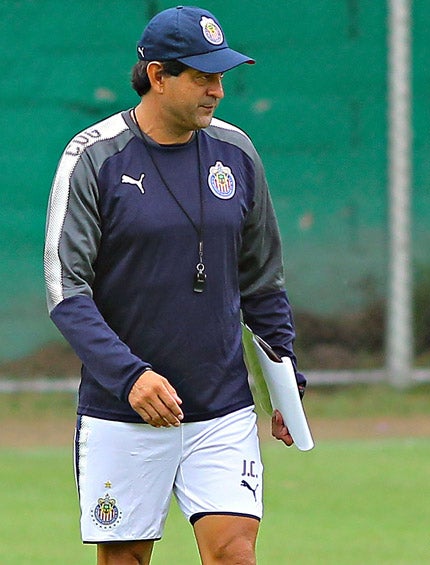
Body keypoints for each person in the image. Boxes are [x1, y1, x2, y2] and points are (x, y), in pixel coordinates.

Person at [44, 6, 305, 564]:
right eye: (203, 77)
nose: (218, 91)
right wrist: (130, 377)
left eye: (222, 77)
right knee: (125, 561)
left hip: (222, 405)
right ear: (159, 77)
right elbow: (67, 291)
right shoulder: (92, 158)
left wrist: (283, 382)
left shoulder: (237, 153)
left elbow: (263, 282)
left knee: (234, 553)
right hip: (125, 409)